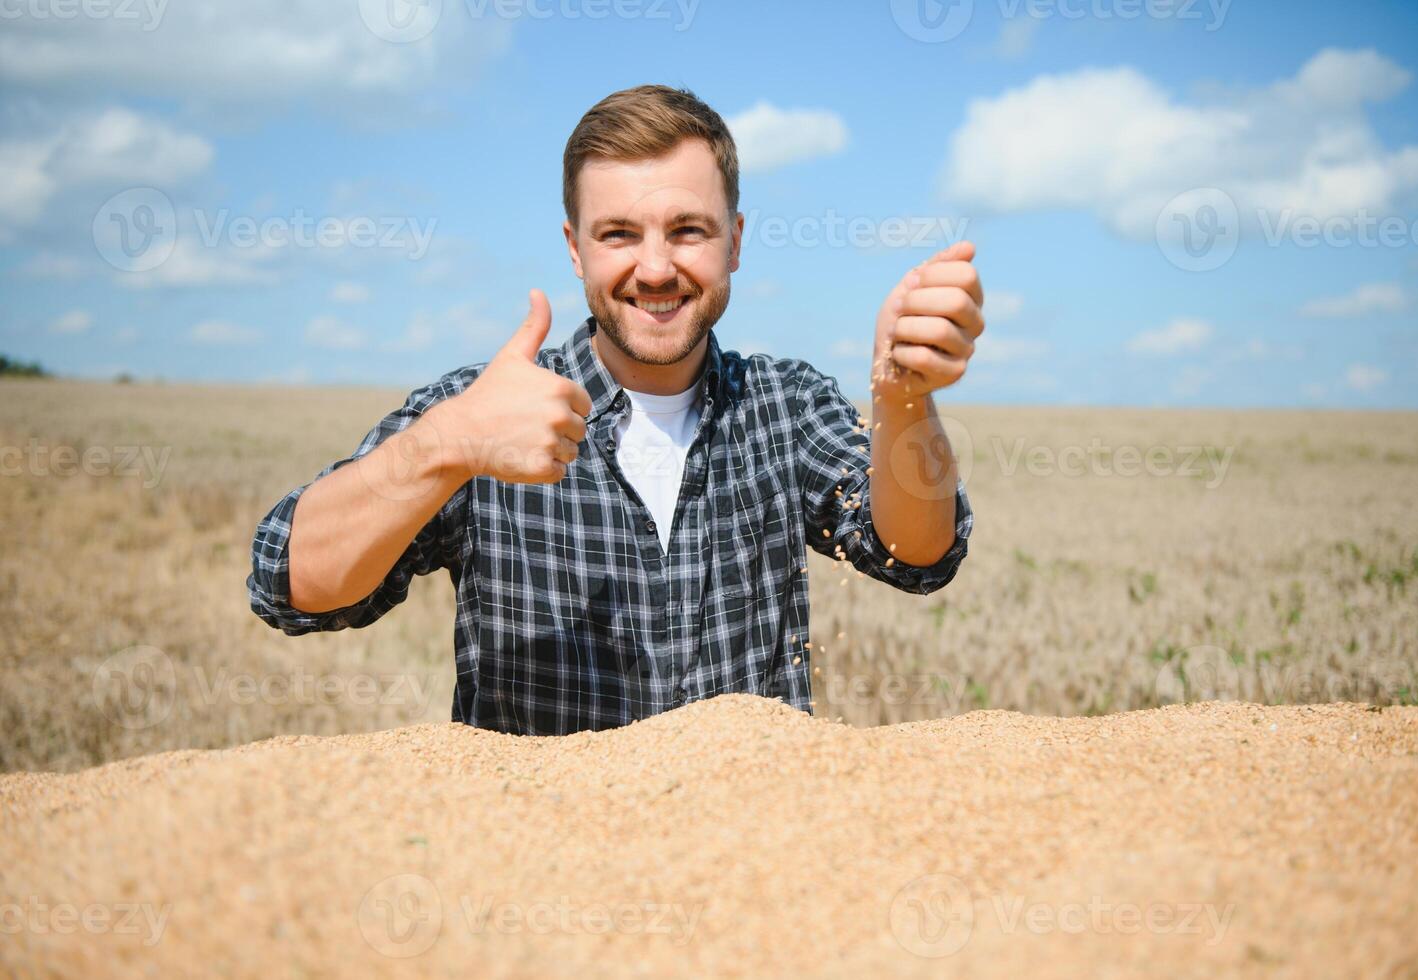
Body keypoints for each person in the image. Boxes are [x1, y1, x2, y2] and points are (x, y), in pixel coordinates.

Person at [247, 84, 985, 735]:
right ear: (575, 250)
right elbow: (291, 584)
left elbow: (914, 554)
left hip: (757, 867)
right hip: (542, 871)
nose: (656, 268)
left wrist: (903, 396)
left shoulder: (784, 407)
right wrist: (445, 445)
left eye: (688, 230)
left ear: (735, 242)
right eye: (619, 235)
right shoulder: (484, 411)